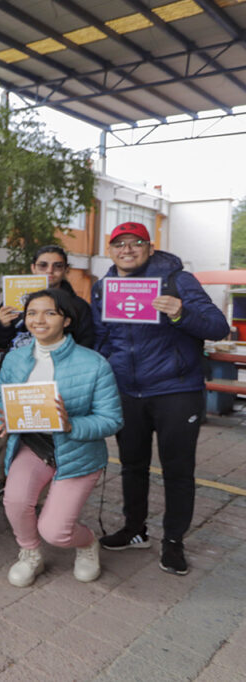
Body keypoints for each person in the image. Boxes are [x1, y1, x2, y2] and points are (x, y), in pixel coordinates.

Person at [92, 222, 229, 575]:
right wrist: (104, 369)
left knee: (177, 470)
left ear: (149, 248)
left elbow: (217, 327)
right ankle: (135, 529)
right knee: (132, 465)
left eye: (135, 243)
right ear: (111, 250)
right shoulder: (104, 287)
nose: (127, 250)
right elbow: (101, 337)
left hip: (176, 391)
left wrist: (180, 312)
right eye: (119, 244)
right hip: (127, 392)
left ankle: (173, 541)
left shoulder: (178, 280)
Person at [0, 289, 123, 587]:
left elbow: (112, 420)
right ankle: (30, 553)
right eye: (32, 313)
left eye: (49, 313)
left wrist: (71, 425)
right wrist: (6, 418)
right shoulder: (14, 360)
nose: (38, 320)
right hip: (34, 447)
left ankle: (87, 543)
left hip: (78, 452)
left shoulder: (94, 364)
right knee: (14, 502)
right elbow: (3, 401)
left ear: (66, 320)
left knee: (55, 531)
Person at [0, 245, 94, 503]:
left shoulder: (77, 306)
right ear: (33, 268)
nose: (50, 271)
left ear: (66, 269)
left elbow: (86, 345)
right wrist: (1, 323)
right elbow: (0, 340)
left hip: (52, 381)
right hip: (13, 380)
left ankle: (43, 492)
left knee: (48, 436)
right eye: (43, 265)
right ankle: (4, 478)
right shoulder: (14, 298)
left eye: (57, 265)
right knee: (3, 434)